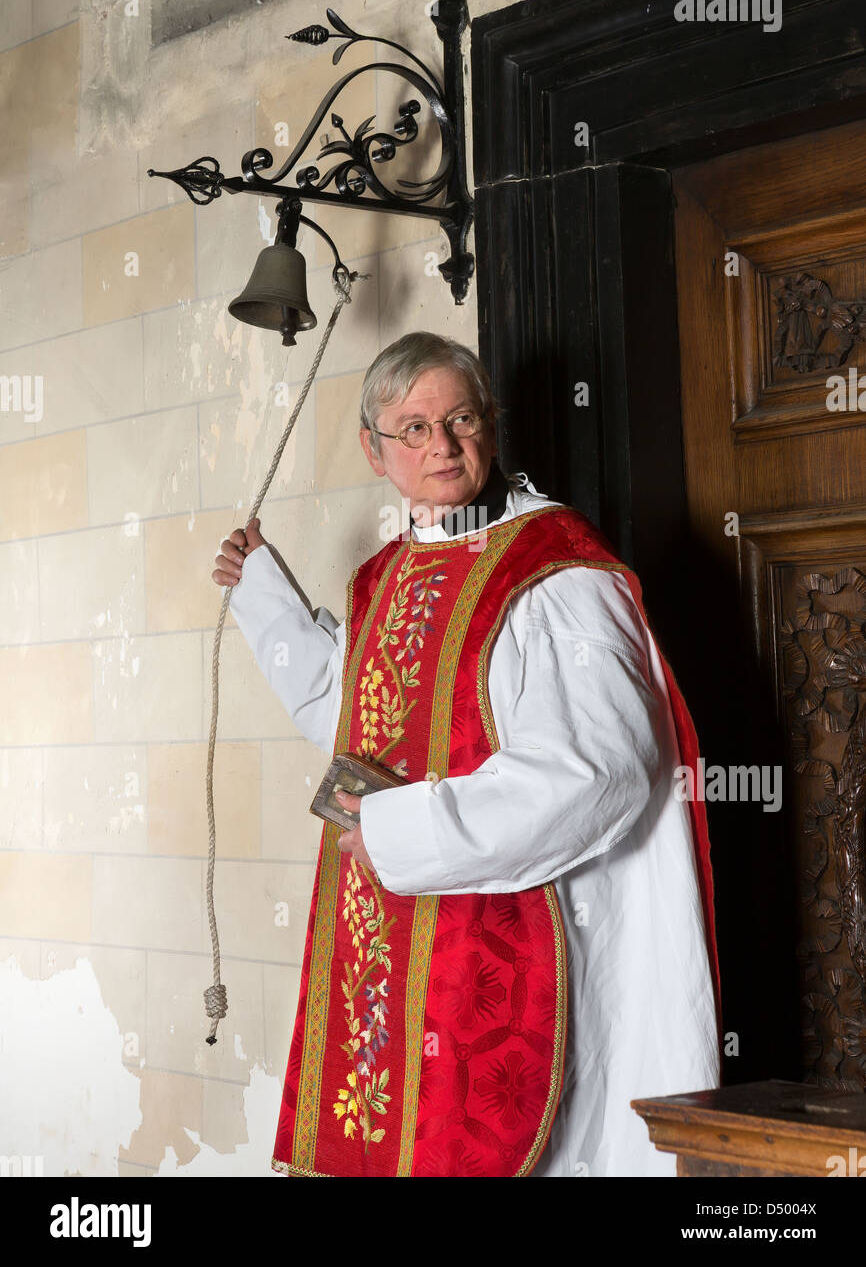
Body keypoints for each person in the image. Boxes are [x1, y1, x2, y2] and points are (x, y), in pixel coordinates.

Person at [213, 331, 721, 1177]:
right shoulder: (388, 575)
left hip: (520, 945)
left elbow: (599, 773)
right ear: (376, 451)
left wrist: (400, 837)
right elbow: (352, 720)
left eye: (461, 418)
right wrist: (264, 594)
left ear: (492, 426)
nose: (441, 445)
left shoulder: (553, 572)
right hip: (401, 945)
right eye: (412, 428)